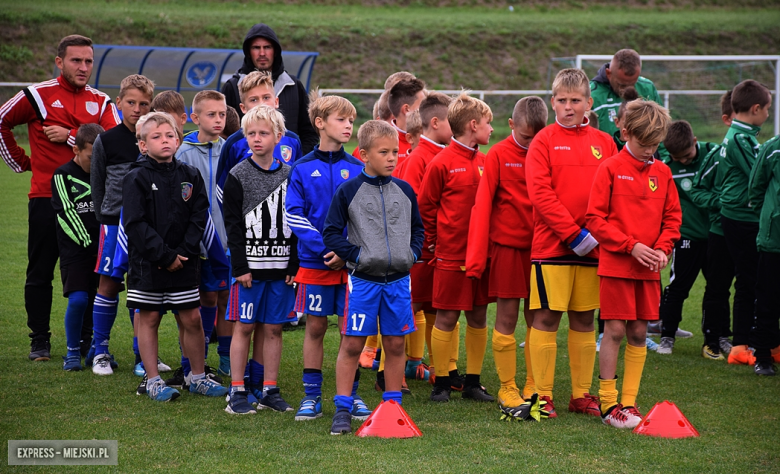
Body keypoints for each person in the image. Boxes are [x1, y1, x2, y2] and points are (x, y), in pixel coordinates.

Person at [0, 34, 120, 361]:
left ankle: (84, 340)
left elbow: (114, 144)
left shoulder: (102, 101)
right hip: (45, 196)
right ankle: (39, 340)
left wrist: (69, 135)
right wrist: (21, 162)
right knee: (40, 271)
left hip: (90, 202)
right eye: (76, 60)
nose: (83, 67)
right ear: (59, 62)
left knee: (89, 272)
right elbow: (2, 121)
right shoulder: (38, 95)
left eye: (88, 61)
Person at [525, 68, 618, 419]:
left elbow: (612, 193)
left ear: (588, 103)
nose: (568, 106)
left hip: (595, 248)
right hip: (553, 248)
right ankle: (542, 394)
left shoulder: (604, 142)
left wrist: (597, 235)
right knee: (547, 318)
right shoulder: (544, 141)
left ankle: (581, 394)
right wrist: (574, 234)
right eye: (561, 100)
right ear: (552, 103)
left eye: (575, 100)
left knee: (583, 319)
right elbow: (540, 194)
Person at [323, 119, 424, 435]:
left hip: (398, 282)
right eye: (384, 152)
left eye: (395, 151)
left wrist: (412, 254)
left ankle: (393, 408)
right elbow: (330, 232)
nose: (393, 157)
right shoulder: (348, 191)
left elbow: (418, 230)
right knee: (352, 344)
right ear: (364, 154)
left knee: (395, 343)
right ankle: (342, 408)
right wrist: (358, 256)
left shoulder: (405, 190)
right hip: (364, 282)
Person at [586, 99, 680, 428]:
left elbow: (672, 219)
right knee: (613, 330)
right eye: (644, 144)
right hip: (616, 265)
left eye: (655, 145)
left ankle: (629, 401)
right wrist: (631, 246)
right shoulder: (609, 168)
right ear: (626, 133)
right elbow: (594, 219)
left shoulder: (663, 172)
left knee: (639, 332)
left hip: (648, 270)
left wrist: (663, 248)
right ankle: (609, 405)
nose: (649, 151)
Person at [123, 112, 227, 402]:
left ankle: (196, 377)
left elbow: (199, 216)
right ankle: (153, 380)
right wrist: (164, 254)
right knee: (150, 317)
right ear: (143, 145)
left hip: (184, 262)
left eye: (169, 135)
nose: (164, 141)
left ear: (179, 141)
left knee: (192, 318)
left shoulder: (189, 176)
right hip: (149, 264)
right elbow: (136, 224)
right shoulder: (136, 177)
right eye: (156, 137)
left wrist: (182, 252)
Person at [285, 95, 369, 421]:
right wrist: (325, 249)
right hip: (314, 263)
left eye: (351, 120)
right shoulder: (302, 168)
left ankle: (351, 394)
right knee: (316, 327)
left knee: (352, 330)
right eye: (341, 119)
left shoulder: (358, 169)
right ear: (320, 123)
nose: (349, 125)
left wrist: (345, 253)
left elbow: (364, 220)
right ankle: (311, 397)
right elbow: (294, 215)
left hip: (350, 268)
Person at [466, 96, 548, 414]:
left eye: (537, 136)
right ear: (512, 126)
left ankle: (533, 385)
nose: (532, 143)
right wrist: (477, 256)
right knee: (507, 318)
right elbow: (483, 205)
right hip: (508, 251)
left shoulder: (548, 151)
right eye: (527, 136)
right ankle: (507, 388)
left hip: (543, 250)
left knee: (538, 319)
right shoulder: (498, 154)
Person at [418, 91, 495, 403]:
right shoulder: (441, 163)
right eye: (488, 124)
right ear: (473, 125)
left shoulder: (488, 162)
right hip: (449, 256)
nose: (492, 130)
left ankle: (473, 382)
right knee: (446, 318)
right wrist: (436, 244)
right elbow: (425, 209)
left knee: (478, 317)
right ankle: (441, 382)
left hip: (482, 255)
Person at [223, 105, 299, 414]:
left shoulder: (290, 175)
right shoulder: (238, 175)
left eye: (263, 133)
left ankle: (269, 388)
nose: (257, 139)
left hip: (281, 269)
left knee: (274, 329)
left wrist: (294, 264)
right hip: (250, 271)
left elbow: (297, 222)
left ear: (279, 137)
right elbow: (233, 225)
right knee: (244, 326)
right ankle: (237, 390)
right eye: (251, 133)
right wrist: (240, 266)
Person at [89, 74, 155, 376]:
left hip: (144, 226)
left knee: (140, 288)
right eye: (131, 102)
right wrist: (106, 218)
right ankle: (100, 350)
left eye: (144, 104)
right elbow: (98, 184)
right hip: (114, 225)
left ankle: (143, 356)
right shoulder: (107, 139)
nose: (138, 109)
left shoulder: (155, 138)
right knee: (109, 284)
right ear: (119, 103)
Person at [393, 91, 454, 386]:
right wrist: (424, 240)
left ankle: (437, 368)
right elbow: (414, 206)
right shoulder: (419, 158)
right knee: (410, 305)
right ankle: (394, 369)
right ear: (435, 123)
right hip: (420, 248)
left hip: (437, 247)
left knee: (433, 307)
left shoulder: (442, 154)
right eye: (451, 121)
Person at [175, 90, 231, 376]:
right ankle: (198, 359)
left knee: (225, 299)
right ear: (195, 118)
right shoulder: (182, 153)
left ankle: (226, 358)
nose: (218, 119)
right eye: (211, 114)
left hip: (227, 242)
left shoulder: (231, 150)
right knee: (202, 300)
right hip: (197, 244)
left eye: (222, 114)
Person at [716, 79, 772, 365]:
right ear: (756, 108)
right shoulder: (740, 138)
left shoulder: (741, 135)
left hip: (738, 217)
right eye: (767, 110)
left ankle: (764, 341)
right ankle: (741, 345)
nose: (768, 116)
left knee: (754, 280)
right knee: (750, 281)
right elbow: (759, 175)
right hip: (742, 218)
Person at [655, 121, 718, 355]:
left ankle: (716, 336)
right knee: (678, 287)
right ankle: (667, 336)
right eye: (677, 157)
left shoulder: (714, 155)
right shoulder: (664, 165)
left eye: (687, 155)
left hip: (714, 235)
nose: (683, 160)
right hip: (686, 237)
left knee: (717, 289)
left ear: (694, 141)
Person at [52, 123, 104, 371]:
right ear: (76, 149)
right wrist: (90, 243)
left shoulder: (104, 173)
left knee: (102, 301)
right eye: (91, 157)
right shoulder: (62, 175)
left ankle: (97, 350)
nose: (96, 164)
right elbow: (66, 212)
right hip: (76, 249)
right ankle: (72, 352)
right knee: (79, 300)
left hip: (103, 248)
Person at [688, 90, 736, 358]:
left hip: (750, 232)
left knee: (747, 287)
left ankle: (740, 339)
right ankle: (712, 340)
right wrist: (723, 202)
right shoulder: (717, 155)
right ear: (728, 118)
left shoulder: (759, 150)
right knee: (718, 286)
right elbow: (697, 191)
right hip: (719, 230)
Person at [221, 23, 318, 153]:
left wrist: (298, 162)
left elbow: (309, 132)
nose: (262, 53)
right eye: (256, 48)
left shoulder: (293, 85)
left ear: (275, 51)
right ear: (248, 52)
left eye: (267, 47)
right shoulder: (233, 86)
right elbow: (223, 134)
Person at [748, 133, 780, 376]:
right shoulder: (772, 148)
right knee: (768, 300)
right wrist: (771, 217)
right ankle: (763, 356)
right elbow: (756, 189)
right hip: (773, 241)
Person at [589, 49, 663, 141]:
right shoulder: (591, 95)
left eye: (633, 83)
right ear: (608, 74)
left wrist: (662, 155)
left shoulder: (648, 89)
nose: (628, 89)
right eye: (622, 85)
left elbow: (660, 132)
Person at [387, 78, 426, 170]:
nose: (428, 110)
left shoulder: (433, 140)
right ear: (406, 109)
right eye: (423, 106)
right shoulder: (379, 144)